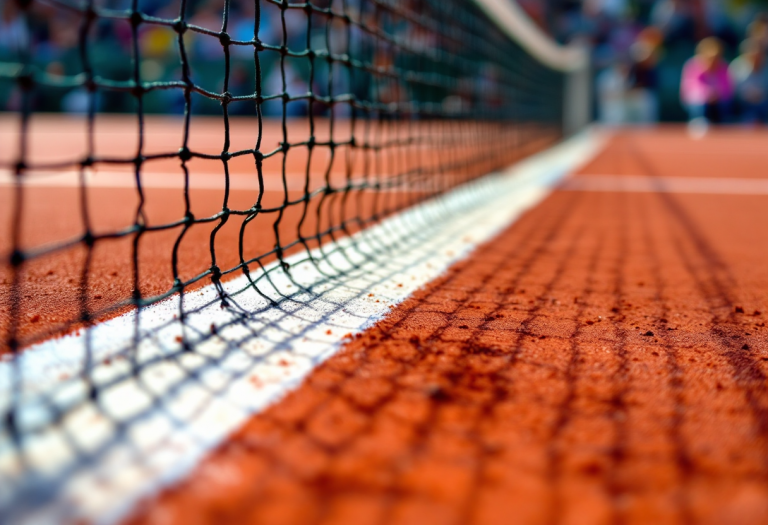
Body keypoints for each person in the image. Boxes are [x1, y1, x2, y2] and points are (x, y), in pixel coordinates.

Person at [680, 37, 734, 135]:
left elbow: (727, 89)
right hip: (699, 102)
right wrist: (707, 94)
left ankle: (722, 126)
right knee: (700, 105)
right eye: (709, 58)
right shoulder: (692, 65)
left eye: (716, 57)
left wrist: (717, 94)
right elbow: (690, 87)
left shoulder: (723, 67)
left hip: (718, 102)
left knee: (724, 106)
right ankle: (698, 122)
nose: (713, 61)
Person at [730, 39, 768, 124]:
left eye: (758, 55)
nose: (756, 58)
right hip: (743, 103)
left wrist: (761, 94)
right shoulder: (737, 66)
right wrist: (748, 95)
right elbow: (734, 89)